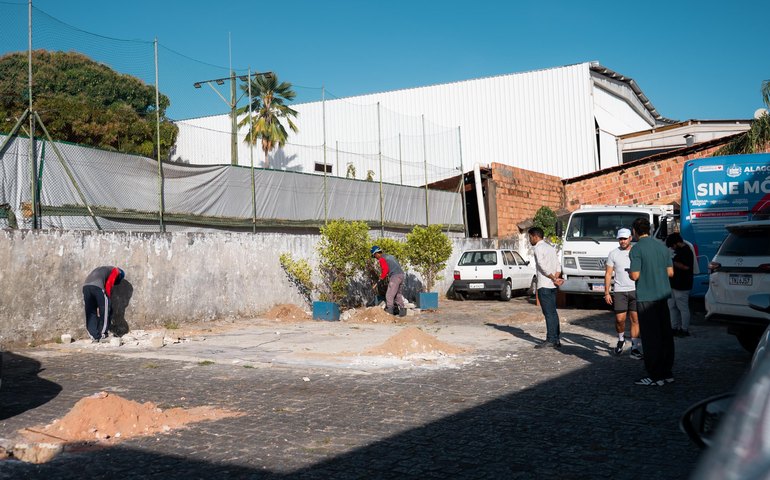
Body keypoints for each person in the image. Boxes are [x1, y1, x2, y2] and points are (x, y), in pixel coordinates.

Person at [629, 218, 674, 386]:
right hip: (662, 295)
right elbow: (670, 272)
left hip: (646, 296)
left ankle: (655, 375)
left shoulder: (637, 248)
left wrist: (630, 273)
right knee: (665, 335)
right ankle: (667, 372)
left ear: (634, 231)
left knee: (650, 337)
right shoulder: (662, 247)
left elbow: (635, 275)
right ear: (649, 229)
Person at [603, 228, 643, 359]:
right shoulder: (613, 253)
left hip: (635, 289)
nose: (623, 241)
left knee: (635, 319)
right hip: (619, 290)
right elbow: (608, 274)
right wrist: (607, 292)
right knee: (620, 319)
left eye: (625, 238)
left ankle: (635, 347)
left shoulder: (636, 251)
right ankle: (621, 339)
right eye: (620, 239)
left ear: (630, 238)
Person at [528, 227, 564, 349]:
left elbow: (542, 266)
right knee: (553, 312)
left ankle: (551, 339)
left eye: (530, 237)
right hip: (552, 285)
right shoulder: (550, 247)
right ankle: (556, 339)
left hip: (544, 285)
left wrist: (553, 278)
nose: (530, 240)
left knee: (549, 313)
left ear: (535, 236)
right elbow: (558, 266)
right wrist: (556, 278)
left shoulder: (538, 248)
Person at [83, 266, 125, 342]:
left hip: (86, 287)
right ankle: (103, 334)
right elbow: (109, 284)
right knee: (105, 310)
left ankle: (94, 335)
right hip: (97, 287)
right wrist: (107, 300)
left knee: (91, 312)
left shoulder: (103, 269)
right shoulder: (116, 271)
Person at [666, 232, 694, 337]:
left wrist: (672, 262)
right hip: (673, 284)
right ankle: (674, 327)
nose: (672, 248)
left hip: (682, 284)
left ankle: (684, 329)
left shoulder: (686, 251)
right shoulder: (678, 251)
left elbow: (686, 267)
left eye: (672, 245)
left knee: (682, 308)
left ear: (676, 243)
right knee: (672, 306)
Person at [371, 246, 406, 317]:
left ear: (376, 253)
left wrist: (381, 278)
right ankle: (402, 311)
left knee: (389, 294)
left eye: (374, 256)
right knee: (398, 294)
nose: (375, 258)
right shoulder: (391, 256)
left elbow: (385, 270)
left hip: (395, 276)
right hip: (401, 275)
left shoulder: (382, 259)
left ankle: (389, 311)